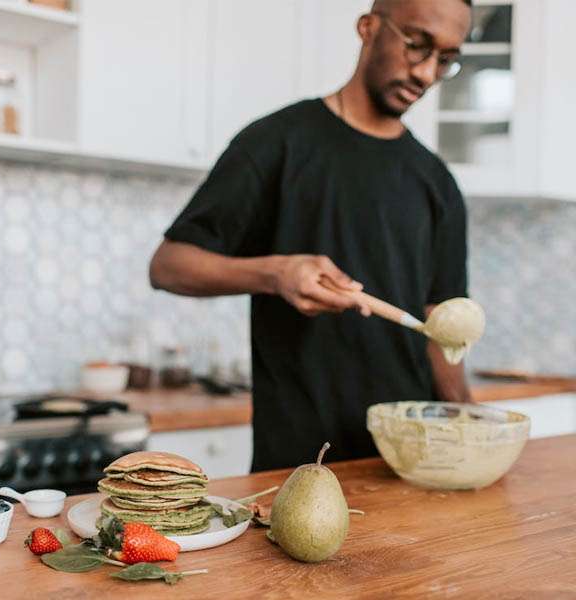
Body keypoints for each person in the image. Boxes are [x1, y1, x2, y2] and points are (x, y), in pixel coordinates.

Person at [149, 0, 474, 471]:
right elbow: (168, 265)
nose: (425, 73)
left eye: (444, 60)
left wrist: (468, 420)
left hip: (404, 463)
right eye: (416, 45)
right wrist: (275, 272)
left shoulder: (437, 181)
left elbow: (438, 322)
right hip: (298, 465)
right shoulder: (276, 142)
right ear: (368, 28)